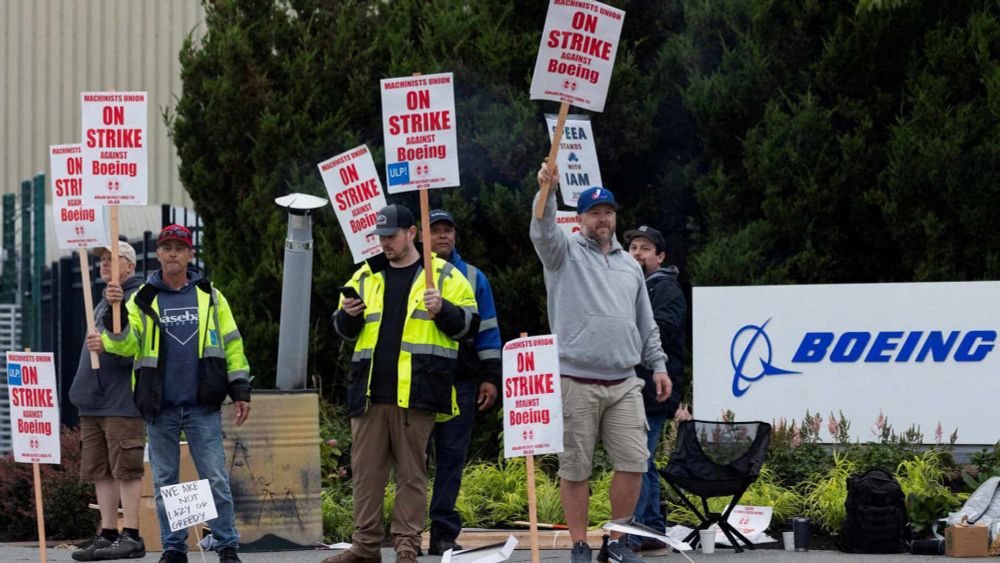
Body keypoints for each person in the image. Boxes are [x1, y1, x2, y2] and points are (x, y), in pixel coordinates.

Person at [530, 165, 671, 563]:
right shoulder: (562, 252)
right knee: (576, 467)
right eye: (594, 212)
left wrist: (657, 365)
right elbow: (541, 228)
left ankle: (618, 539)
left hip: (625, 380)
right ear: (580, 219)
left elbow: (646, 321)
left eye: (608, 212)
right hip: (576, 378)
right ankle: (579, 544)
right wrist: (547, 190)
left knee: (634, 461)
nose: (603, 218)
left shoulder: (630, 265)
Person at [325, 204, 479, 563]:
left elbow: (469, 327)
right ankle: (365, 548)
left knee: (412, 475)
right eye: (380, 237)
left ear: (412, 233)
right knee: (366, 475)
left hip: (418, 392)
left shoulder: (444, 275)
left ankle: (407, 548)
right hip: (368, 393)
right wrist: (346, 317)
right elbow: (343, 331)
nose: (384, 243)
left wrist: (444, 309)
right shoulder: (363, 275)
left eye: (391, 236)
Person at [89, 224, 251, 563]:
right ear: (159, 254)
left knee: (216, 480)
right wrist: (115, 317)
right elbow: (125, 345)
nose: (173, 253)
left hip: (201, 404)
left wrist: (240, 390)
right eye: (167, 248)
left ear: (191, 254)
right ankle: (174, 548)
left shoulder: (210, 296)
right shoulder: (143, 298)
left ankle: (226, 546)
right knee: (166, 485)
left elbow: (232, 344)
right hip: (159, 405)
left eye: (180, 247)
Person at [425, 209, 502, 555]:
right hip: (420, 381)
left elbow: (488, 330)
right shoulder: (411, 272)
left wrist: (490, 377)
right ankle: (408, 532)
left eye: (447, 230)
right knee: (413, 460)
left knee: (452, 458)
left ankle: (442, 533)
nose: (442, 236)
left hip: (461, 381)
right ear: (421, 236)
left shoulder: (473, 276)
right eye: (435, 230)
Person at [70, 241, 146, 561]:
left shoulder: (137, 298)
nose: (105, 263)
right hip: (94, 400)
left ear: (130, 266)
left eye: (113, 259)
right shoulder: (102, 300)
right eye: (102, 259)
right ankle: (108, 532)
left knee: (125, 468)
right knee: (100, 469)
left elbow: (136, 341)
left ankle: (131, 534)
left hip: (121, 400)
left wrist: (112, 334)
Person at [623, 225, 688, 551]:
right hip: (638, 387)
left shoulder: (665, 289)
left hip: (654, 389)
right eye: (633, 247)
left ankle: (638, 532)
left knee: (638, 460)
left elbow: (660, 330)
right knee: (643, 460)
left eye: (645, 248)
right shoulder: (634, 286)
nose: (637, 254)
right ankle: (651, 530)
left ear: (660, 257)